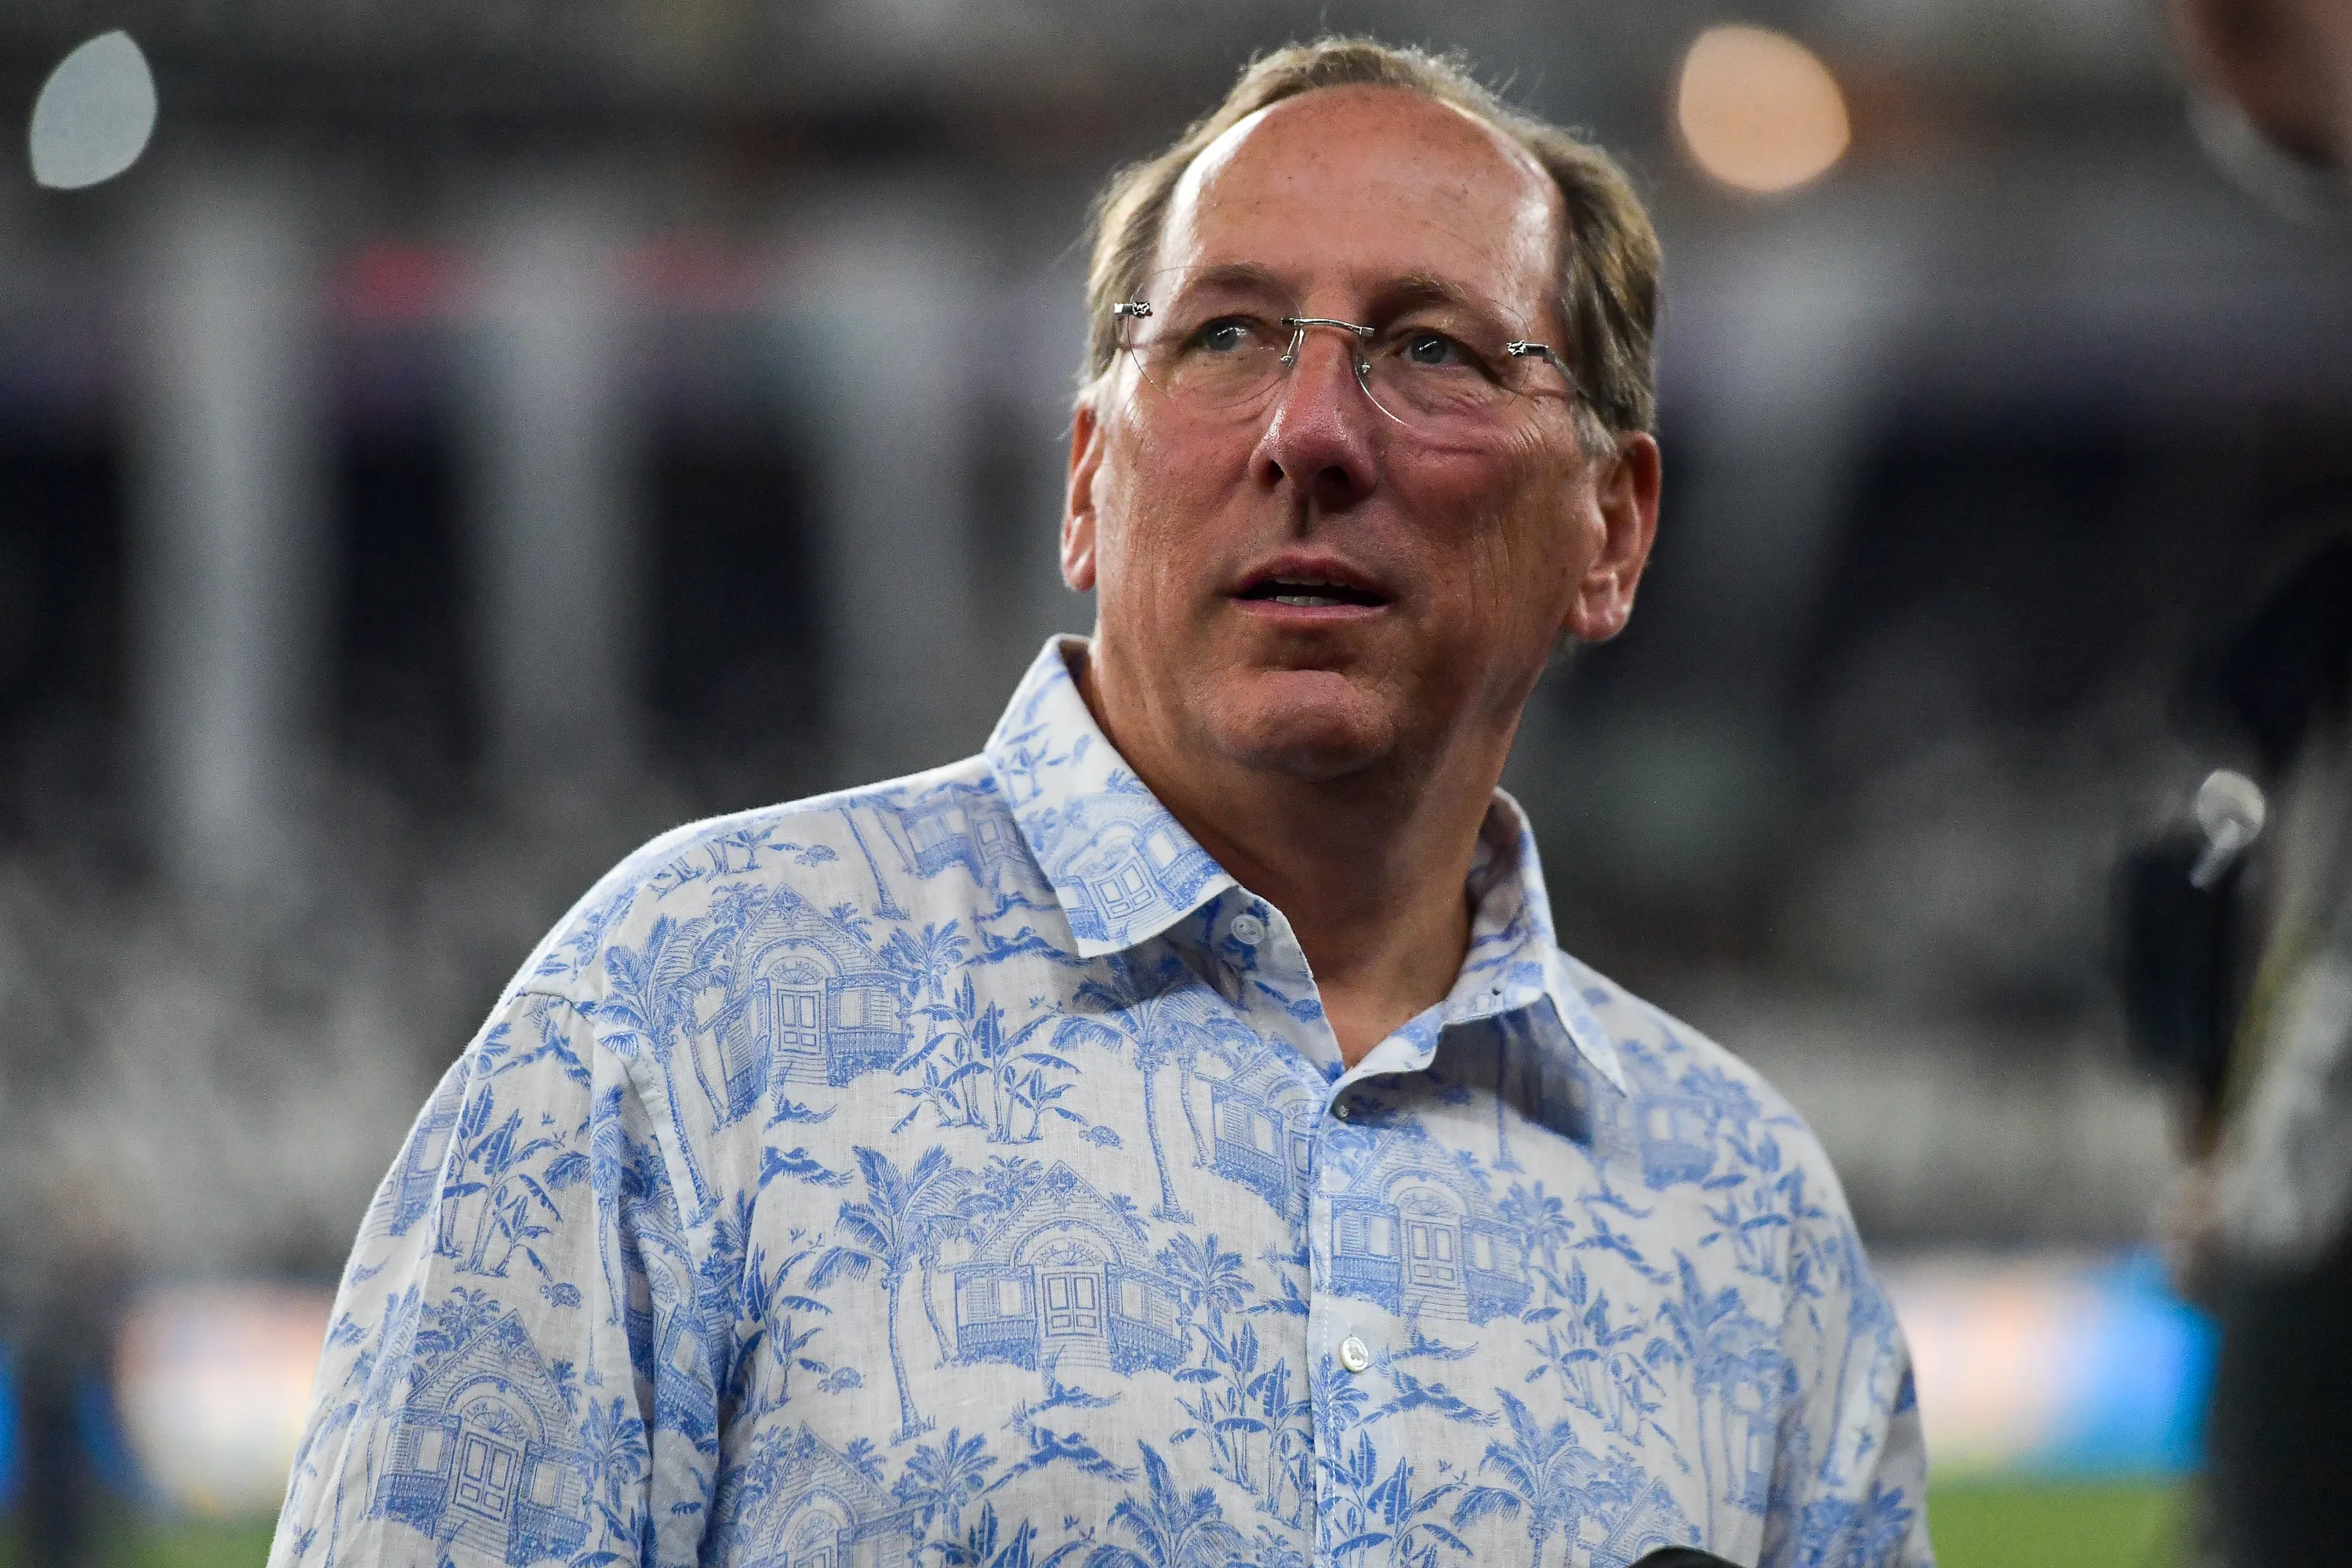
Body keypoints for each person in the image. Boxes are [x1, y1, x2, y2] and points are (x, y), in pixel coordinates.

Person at [271, 39, 1930, 1568]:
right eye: (1224, 335)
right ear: (1088, 482)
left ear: (1611, 531)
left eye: (1428, 348)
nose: (1310, 430)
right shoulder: (687, 1014)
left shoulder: (1747, 1225)